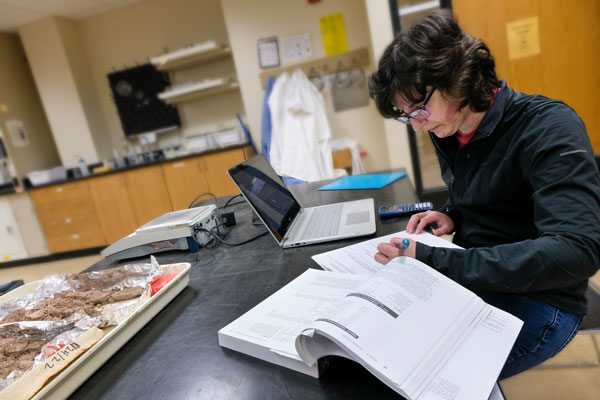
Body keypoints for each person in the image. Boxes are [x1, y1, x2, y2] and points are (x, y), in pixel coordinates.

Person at [368, 10, 600, 380]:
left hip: (543, 300)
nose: (417, 125)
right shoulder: (448, 125)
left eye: (419, 109)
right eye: (405, 115)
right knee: (377, 341)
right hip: (477, 275)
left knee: (415, 376)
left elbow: (576, 251)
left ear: (457, 76)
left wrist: (435, 261)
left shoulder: (549, 127)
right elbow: (492, 189)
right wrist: (454, 214)